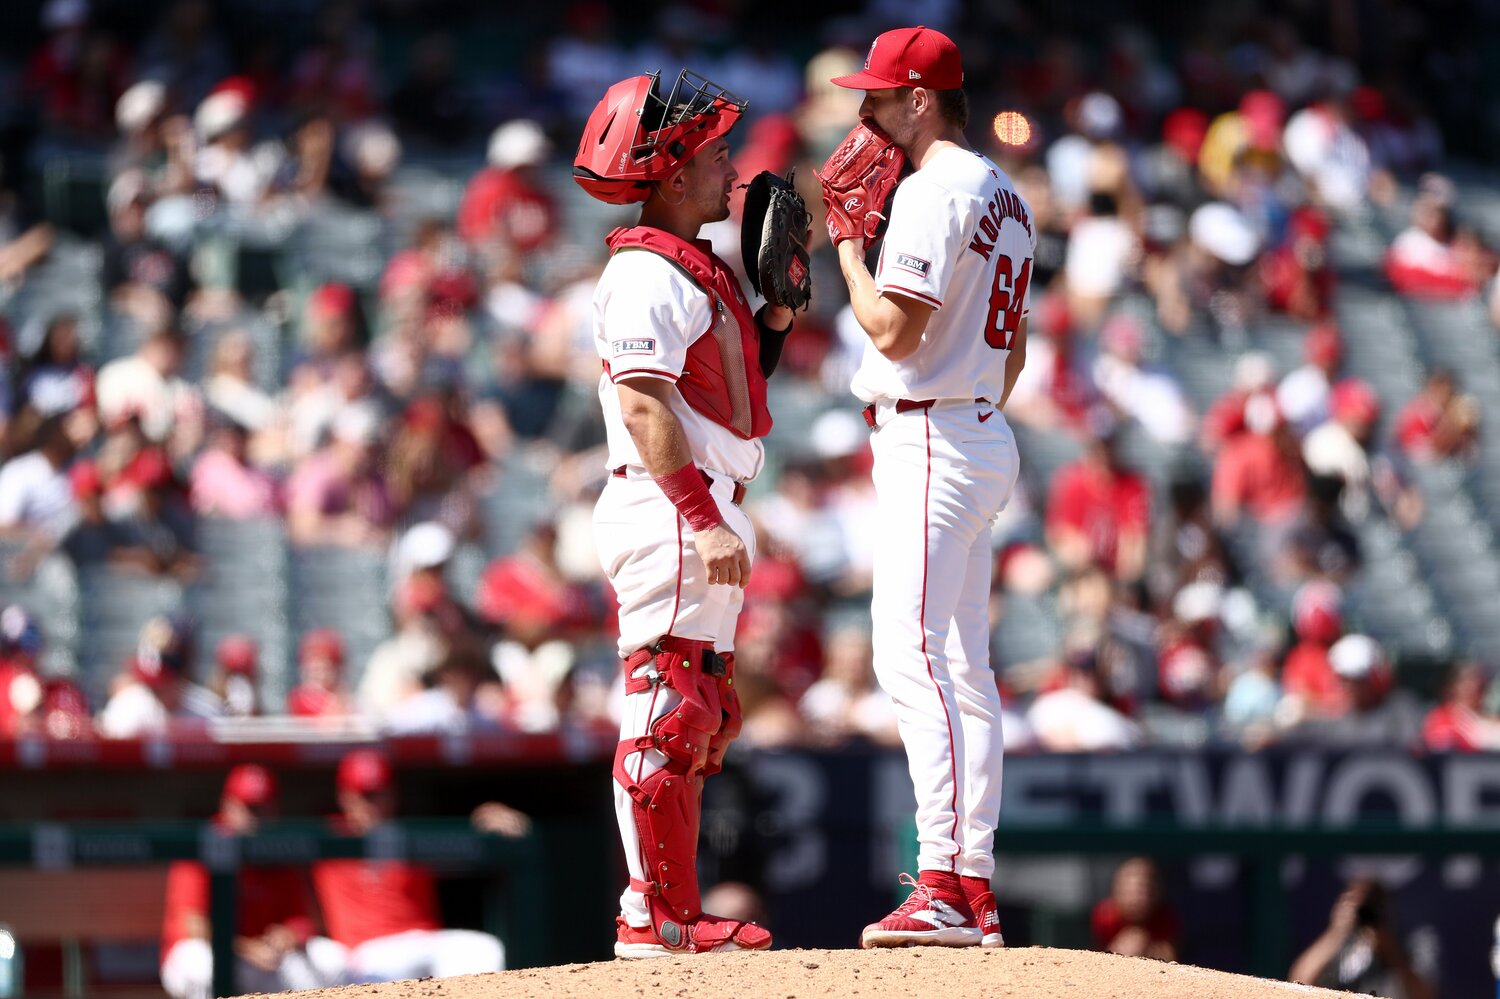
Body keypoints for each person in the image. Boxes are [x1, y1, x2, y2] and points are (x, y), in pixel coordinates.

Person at [573, 67, 795, 957]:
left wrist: (775, 313)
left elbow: (722, 392)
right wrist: (701, 518)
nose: (730, 170)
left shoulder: (688, 262)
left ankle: (668, 907)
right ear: (668, 175)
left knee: (698, 716)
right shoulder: (642, 271)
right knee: (667, 710)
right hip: (671, 502)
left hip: (694, 500)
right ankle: (654, 913)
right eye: (712, 156)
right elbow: (643, 406)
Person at [824, 25, 1026, 949]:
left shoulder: (933, 189)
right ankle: (972, 880)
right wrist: (975, 405)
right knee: (963, 668)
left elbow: (893, 334)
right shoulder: (1005, 191)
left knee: (908, 655)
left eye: (876, 94)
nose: (862, 110)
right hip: (978, 426)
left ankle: (941, 878)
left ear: (920, 99)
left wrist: (846, 252)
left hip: (934, 434)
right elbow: (1013, 348)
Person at [310, 750, 506, 983]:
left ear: (392, 794)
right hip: (367, 952)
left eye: (377, 794)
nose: (371, 804)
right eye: (363, 795)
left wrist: (484, 826)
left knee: (485, 949)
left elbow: (467, 855)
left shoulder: (413, 836)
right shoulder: (325, 838)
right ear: (344, 797)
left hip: (424, 942)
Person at [159, 765, 344, 999]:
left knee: (332, 961)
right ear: (227, 805)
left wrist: (289, 934)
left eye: (263, 808)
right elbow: (194, 925)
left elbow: (303, 918)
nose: (257, 818)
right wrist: (246, 948)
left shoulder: (279, 849)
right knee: (203, 967)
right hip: (213, 951)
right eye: (249, 808)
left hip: (265, 958)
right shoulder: (206, 843)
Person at [1289, 878, 1434, 998]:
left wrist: (1391, 951)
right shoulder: (1337, 944)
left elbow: (1425, 995)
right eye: (1353, 901)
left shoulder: (1407, 941)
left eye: (1372, 905)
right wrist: (1337, 932)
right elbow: (1300, 982)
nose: (1364, 913)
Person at [1091, 857, 1179, 961]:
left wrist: (1149, 949)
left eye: (1142, 891)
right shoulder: (1104, 916)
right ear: (1116, 891)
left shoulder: (1165, 918)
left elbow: (1171, 957)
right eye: (1129, 891)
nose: (1136, 899)